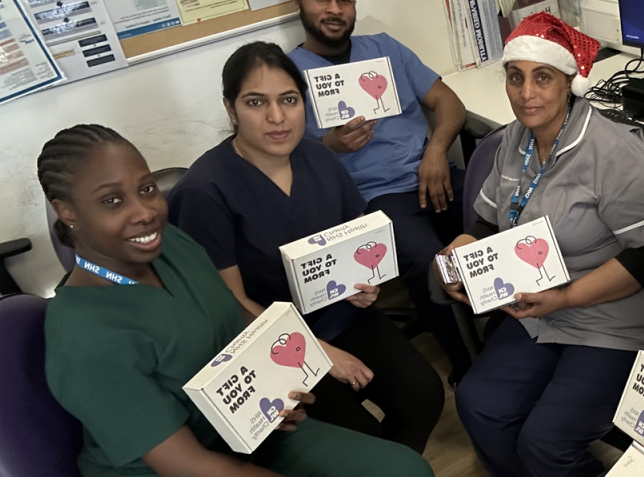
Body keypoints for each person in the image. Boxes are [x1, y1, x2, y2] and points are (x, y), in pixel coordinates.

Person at [40, 124, 434, 477]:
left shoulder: (172, 249)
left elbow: (233, 331)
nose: (144, 212)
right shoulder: (85, 339)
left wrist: (273, 389)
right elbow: (186, 473)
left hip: (245, 436)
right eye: (111, 201)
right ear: (68, 213)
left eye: (145, 189)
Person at [442, 13, 644, 477]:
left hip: (613, 314)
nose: (526, 93)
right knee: (478, 404)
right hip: (537, 308)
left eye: (542, 77)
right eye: (515, 76)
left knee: (546, 440)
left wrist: (564, 297)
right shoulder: (513, 141)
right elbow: (484, 217)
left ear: (569, 82)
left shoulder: (613, 151)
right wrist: (462, 248)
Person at [168, 42, 443, 454]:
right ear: (230, 108)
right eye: (256, 102)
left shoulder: (318, 156)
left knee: (423, 396)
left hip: (339, 315)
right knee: (358, 440)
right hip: (267, 340)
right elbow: (231, 302)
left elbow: (353, 241)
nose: (277, 118)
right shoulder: (206, 190)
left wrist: (364, 282)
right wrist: (319, 354)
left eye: (289, 100)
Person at [288, 0, 472, 381]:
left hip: (432, 173)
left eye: (345, 0)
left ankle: (522, 335)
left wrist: (436, 151)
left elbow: (449, 102)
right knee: (426, 260)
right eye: (322, 0)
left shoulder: (386, 48)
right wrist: (330, 148)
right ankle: (469, 366)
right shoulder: (289, 74)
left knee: (505, 219)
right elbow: (283, 161)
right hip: (374, 198)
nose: (335, 9)